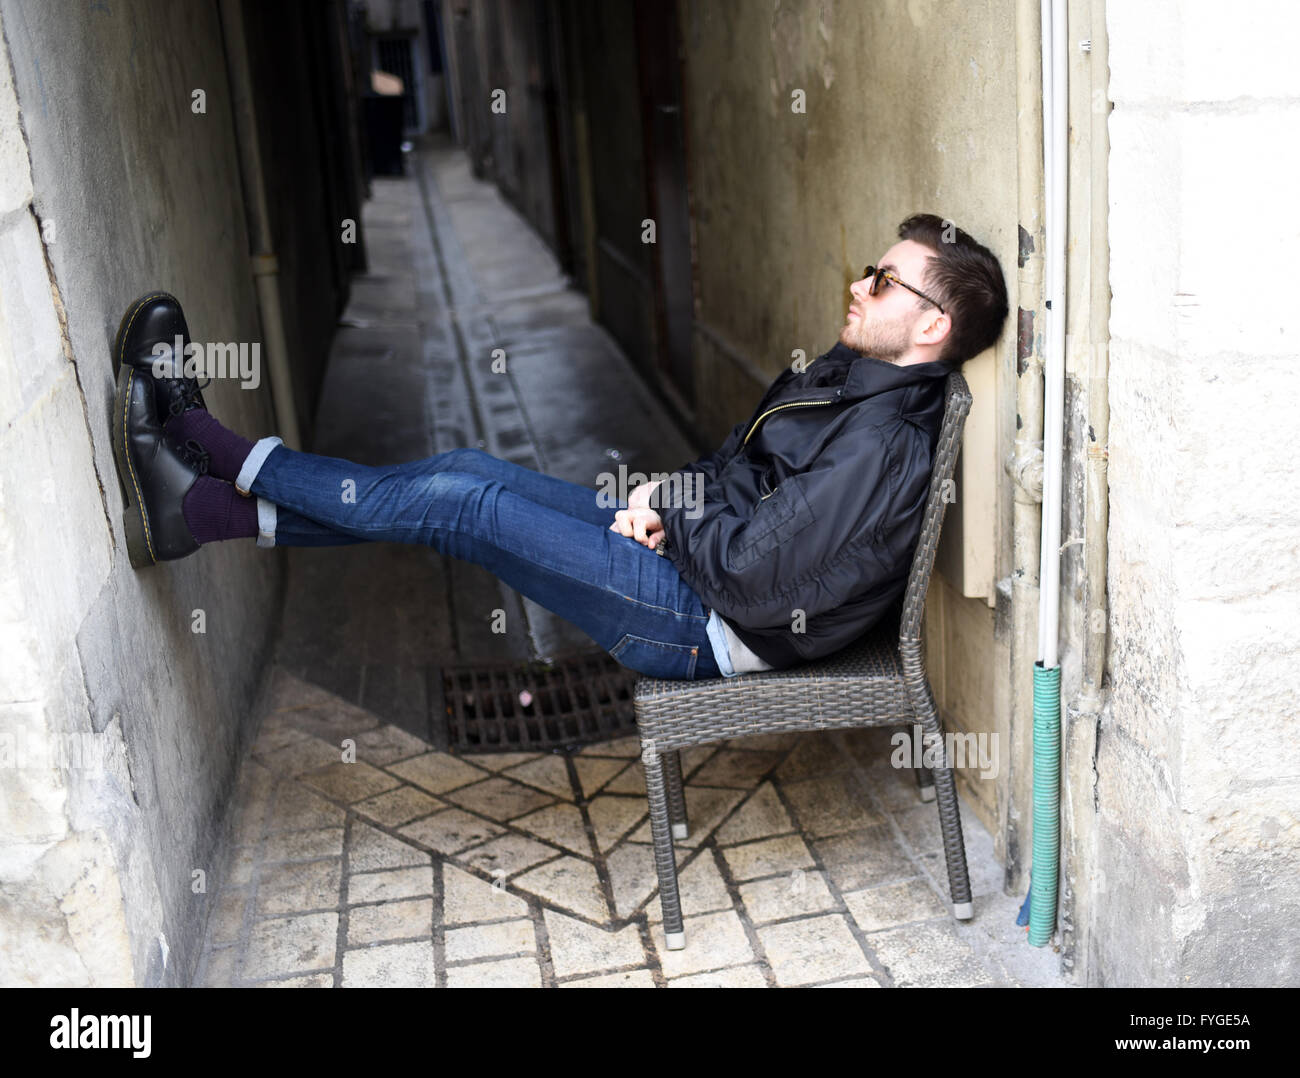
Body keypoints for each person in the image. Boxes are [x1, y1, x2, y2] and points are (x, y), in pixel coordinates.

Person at [110, 213, 1007, 681]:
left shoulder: (885, 442)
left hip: (707, 626)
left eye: (883, 281)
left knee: (465, 505)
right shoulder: (848, 374)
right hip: (696, 567)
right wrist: (670, 505)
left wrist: (670, 522)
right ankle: (196, 510)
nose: (859, 284)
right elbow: (735, 468)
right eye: (870, 268)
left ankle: (204, 448)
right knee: (463, 473)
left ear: (931, 326)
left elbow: (762, 577)